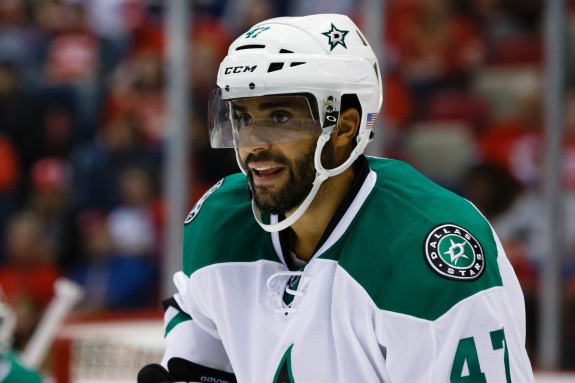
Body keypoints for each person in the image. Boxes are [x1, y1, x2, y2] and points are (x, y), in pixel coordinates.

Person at [138, 14, 535, 382]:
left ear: (344, 129)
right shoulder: (220, 222)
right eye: (242, 118)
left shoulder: (429, 250)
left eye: (279, 118)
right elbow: (198, 322)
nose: (253, 145)